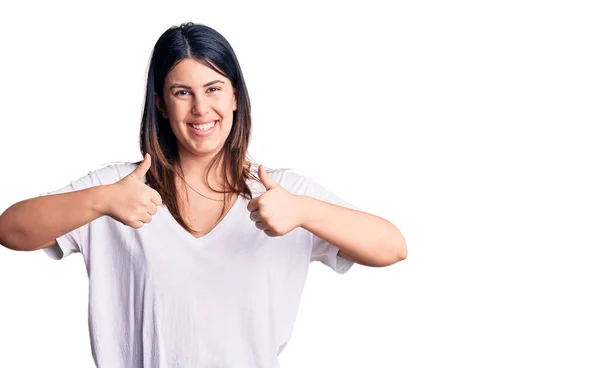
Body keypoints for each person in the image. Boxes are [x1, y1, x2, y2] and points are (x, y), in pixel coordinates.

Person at [0, 22, 407, 368]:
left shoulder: (281, 193)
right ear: (160, 103)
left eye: (213, 89)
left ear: (234, 96)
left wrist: (303, 211)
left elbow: (392, 247)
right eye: (182, 92)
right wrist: (100, 201)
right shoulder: (120, 189)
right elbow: (11, 230)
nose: (200, 108)